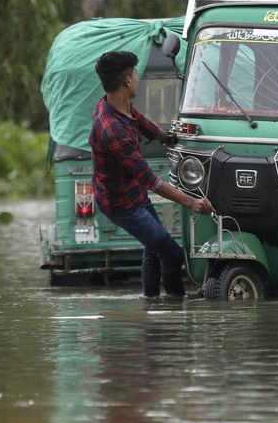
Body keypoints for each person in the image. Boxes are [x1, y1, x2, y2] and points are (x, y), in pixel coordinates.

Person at [89, 51, 215, 299]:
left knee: (153, 246)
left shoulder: (117, 106)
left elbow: (141, 122)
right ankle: (176, 304)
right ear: (127, 81)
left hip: (132, 191)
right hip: (120, 203)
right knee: (171, 253)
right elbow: (152, 180)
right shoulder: (112, 130)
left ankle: (150, 302)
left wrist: (169, 137)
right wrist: (192, 202)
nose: (138, 79)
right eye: (136, 75)